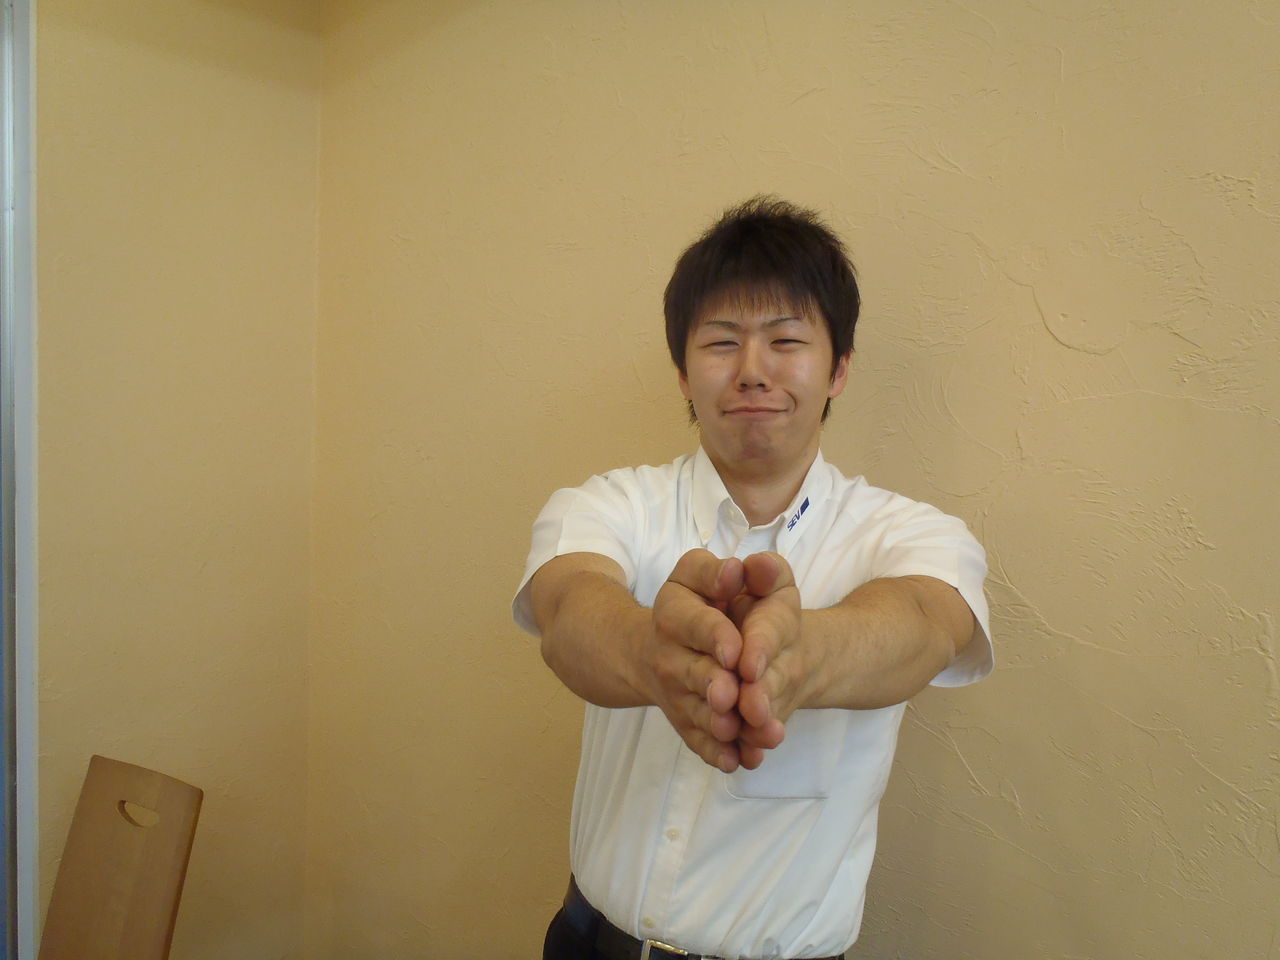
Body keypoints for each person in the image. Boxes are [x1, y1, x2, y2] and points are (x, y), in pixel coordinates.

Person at [513, 197, 993, 960]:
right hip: (590, 942)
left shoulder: (913, 534)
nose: (752, 371)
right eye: (722, 342)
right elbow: (569, 610)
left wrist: (798, 656)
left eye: (786, 340)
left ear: (838, 369)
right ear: (683, 373)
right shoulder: (609, 504)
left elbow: (928, 623)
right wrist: (654, 654)